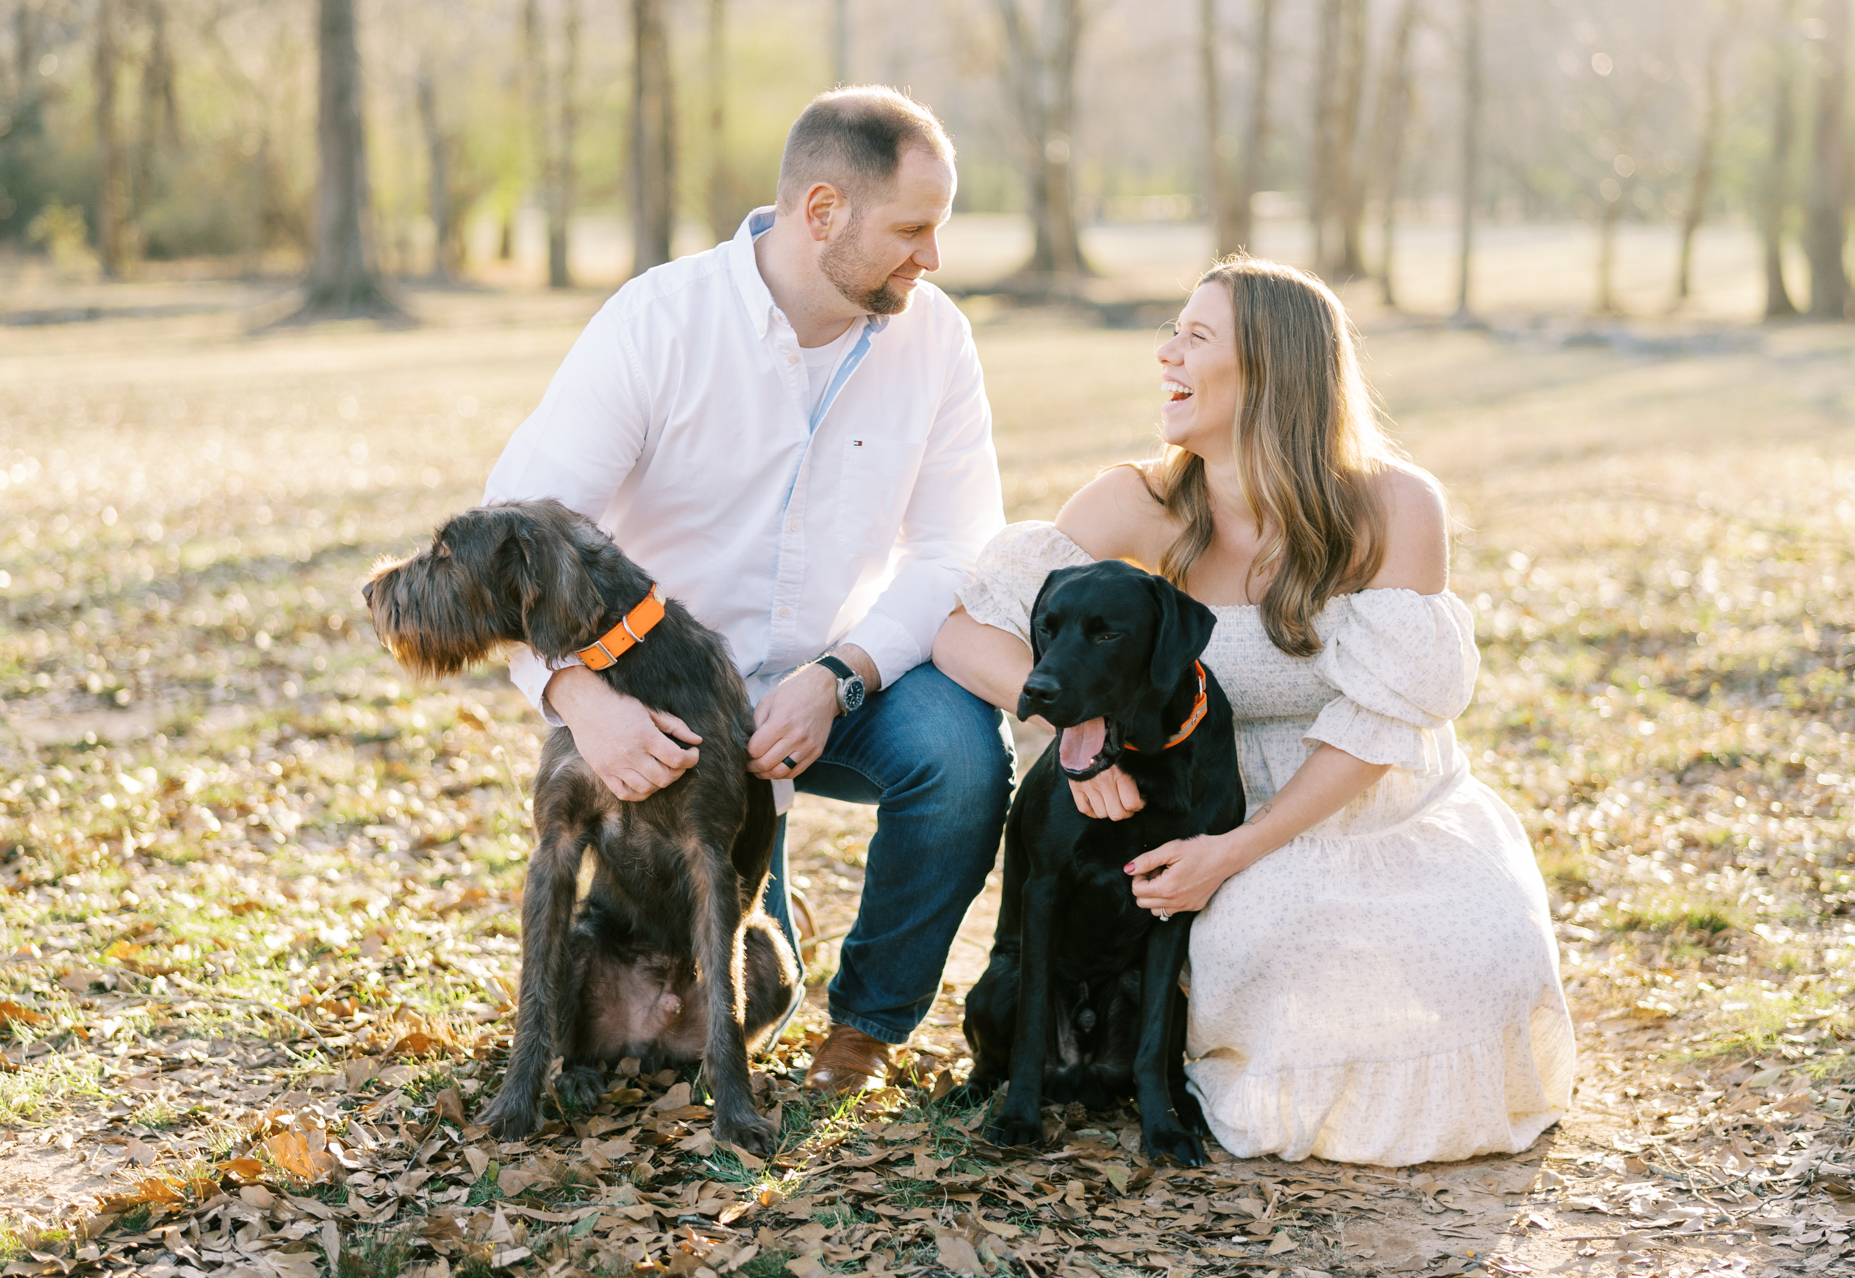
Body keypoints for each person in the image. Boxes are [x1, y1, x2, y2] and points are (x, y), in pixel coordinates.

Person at [932, 258, 1574, 1164]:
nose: (1167, 354)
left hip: (1374, 797)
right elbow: (967, 637)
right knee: (1259, 952)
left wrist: (1236, 850)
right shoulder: (1140, 502)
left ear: (1274, 370)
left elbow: (1384, 721)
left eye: (1196, 337)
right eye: (1172, 332)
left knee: (1476, 966)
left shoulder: (1395, 506)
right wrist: (1093, 745)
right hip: (1201, 792)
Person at [483, 86, 1011, 1095]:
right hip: (663, 704)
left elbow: (955, 543)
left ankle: (862, 1028)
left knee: (957, 750)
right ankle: (706, 928)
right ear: (822, 212)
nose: (930, 258)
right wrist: (580, 699)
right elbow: (512, 541)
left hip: (829, 686)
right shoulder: (659, 321)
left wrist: (842, 673)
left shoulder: (935, 340)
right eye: (911, 228)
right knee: (659, 920)